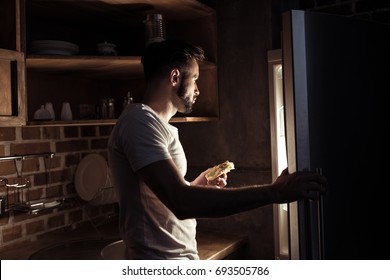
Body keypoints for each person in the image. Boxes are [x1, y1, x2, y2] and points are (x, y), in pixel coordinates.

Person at [107, 39, 326, 260]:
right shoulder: (139, 123)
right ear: (175, 77)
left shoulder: (158, 126)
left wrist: (197, 185)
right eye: (194, 80)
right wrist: (276, 192)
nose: (198, 90)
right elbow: (180, 202)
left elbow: (164, 197)